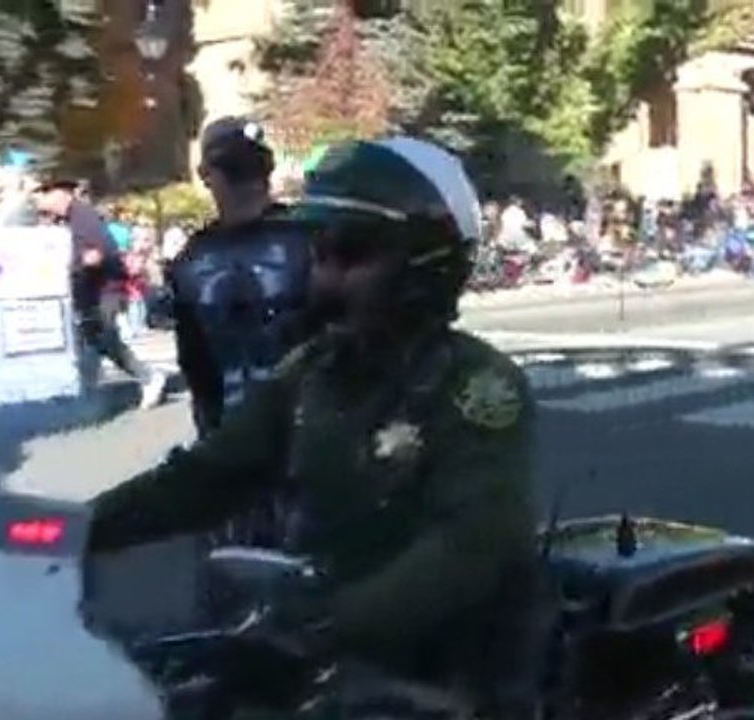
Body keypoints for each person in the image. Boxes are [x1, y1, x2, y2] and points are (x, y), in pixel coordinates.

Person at [85, 137, 540, 720]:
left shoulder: (477, 386)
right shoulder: (313, 372)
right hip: (333, 656)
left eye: (351, 253)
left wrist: (322, 629)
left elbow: (468, 547)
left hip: (450, 674)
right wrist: (67, 530)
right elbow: (205, 478)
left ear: (425, 262)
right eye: (320, 251)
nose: (323, 277)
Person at [169, 116, 313, 438]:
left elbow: (195, 368)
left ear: (207, 175)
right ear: (268, 169)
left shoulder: (190, 260)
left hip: (233, 440)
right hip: (310, 437)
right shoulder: (314, 239)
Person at [32, 178, 167, 410]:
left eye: (44, 194)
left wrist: (78, 263)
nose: (40, 200)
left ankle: (149, 377)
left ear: (60, 194)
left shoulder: (82, 215)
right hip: (89, 291)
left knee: (101, 335)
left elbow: (100, 249)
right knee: (88, 337)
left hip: (105, 289)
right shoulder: (66, 220)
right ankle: (87, 392)